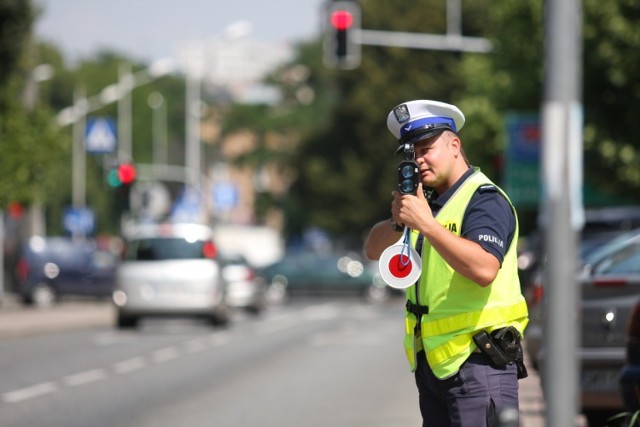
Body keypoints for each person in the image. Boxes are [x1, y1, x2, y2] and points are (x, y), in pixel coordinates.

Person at [364, 100, 529, 427]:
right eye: (413, 154)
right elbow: (372, 249)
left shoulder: (484, 199)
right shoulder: (430, 203)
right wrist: (400, 222)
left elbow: (484, 269)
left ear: (455, 145)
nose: (419, 160)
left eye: (427, 148)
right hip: (436, 366)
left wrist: (426, 224)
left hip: (479, 363)